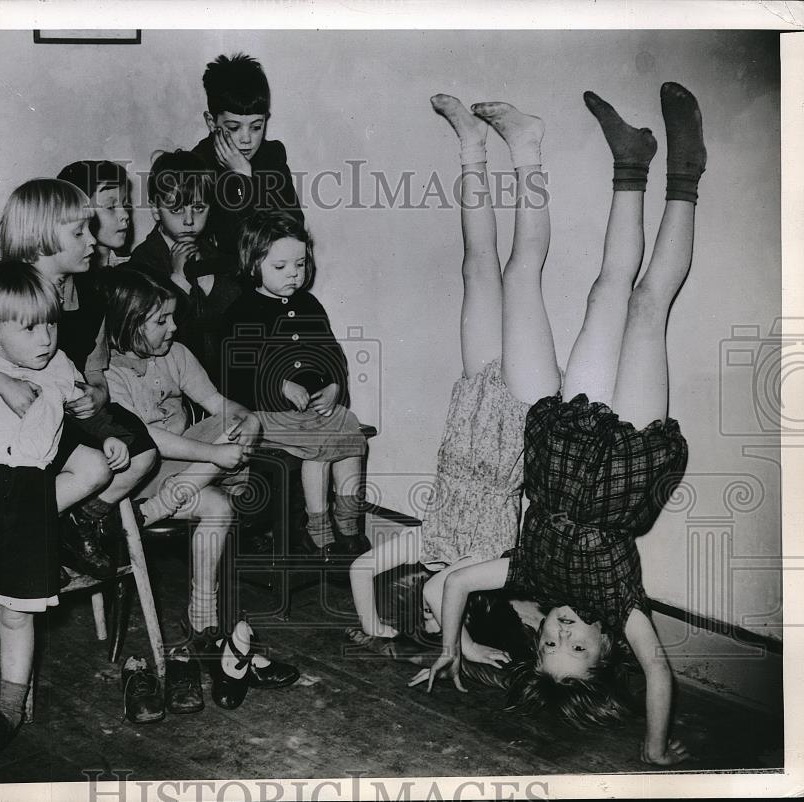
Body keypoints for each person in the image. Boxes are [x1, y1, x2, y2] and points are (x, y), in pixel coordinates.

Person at [418, 83, 705, 767]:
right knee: (643, 304)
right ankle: (685, 171)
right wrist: (655, 751)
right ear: (608, 650)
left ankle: (630, 161)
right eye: (579, 648)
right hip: (626, 457)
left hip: (565, 441)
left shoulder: (528, 573)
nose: (565, 631)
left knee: (604, 289)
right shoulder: (624, 606)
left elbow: (454, 583)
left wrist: (447, 648)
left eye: (551, 643)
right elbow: (660, 673)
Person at [347, 90, 560, 650]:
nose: (434, 609)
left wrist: (375, 627)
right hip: (521, 410)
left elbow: (362, 569)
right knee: (521, 276)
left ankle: (471, 147)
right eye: (443, 619)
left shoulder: (429, 541)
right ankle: (528, 149)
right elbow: (444, 590)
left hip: (475, 401)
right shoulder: (489, 566)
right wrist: (461, 648)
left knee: (476, 268)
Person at [0, 261, 130, 758]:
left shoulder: (60, 370)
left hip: (31, 503)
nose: (46, 337)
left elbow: (90, 413)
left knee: (18, 617)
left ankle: (8, 711)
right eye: (30, 327)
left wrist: (111, 438)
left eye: (51, 323)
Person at [0, 179, 159, 579]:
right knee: (89, 465)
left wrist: (97, 395)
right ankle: (27, 530)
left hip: (66, 407)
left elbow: (94, 371)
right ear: (39, 241)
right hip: (17, 417)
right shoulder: (9, 290)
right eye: (79, 232)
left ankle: (76, 522)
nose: (93, 239)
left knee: (141, 452)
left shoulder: (92, 294)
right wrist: (3, 383)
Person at [103, 270, 299, 714]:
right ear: (129, 324)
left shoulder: (178, 354)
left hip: (180, 482)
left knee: (220, 507)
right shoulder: (109, 376)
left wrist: (248, 419)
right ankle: (164, 504)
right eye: (162, 321)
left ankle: (203, 620)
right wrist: (213, 454)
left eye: (173, 319)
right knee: (216, 458)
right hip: (141, 477)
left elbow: (217, 404)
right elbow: (147, 440)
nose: (174, 328)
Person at [221, 211, 370, 560]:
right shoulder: (243, 311)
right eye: (281, 266)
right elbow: (237, 372)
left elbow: (331, 352)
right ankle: (316, 530)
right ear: (255, 263)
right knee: (318, 446)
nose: (294, 273)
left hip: (314, 411)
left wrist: (334, 386)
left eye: (300, 264)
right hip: (267, 413)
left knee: (351, 434)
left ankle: (346, 522)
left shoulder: (309, 304)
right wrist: (281, 385)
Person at [122, 149, 242, 386]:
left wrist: (210, 281)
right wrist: (178, 280)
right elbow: (150, 331)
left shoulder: (213, 253)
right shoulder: (144, 259)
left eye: (199, 208)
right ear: (156, 210)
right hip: (169, 380)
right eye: (176, 210)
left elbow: (236, 315)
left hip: (218, 378)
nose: (189, 220)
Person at [191, 53, 303, 257]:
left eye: (256, 127)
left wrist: (245, 177)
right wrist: (242, 180)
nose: (246, 139)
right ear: (211, 122)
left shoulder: (272, 158)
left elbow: (293, 230)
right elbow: (230, 244)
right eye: (234, 128)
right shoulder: (196, 165)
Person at [56, 160, 132, 270]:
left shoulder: (131, 263)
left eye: (125, 205)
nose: (125, 215)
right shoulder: (71, 274)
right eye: (110, 207)